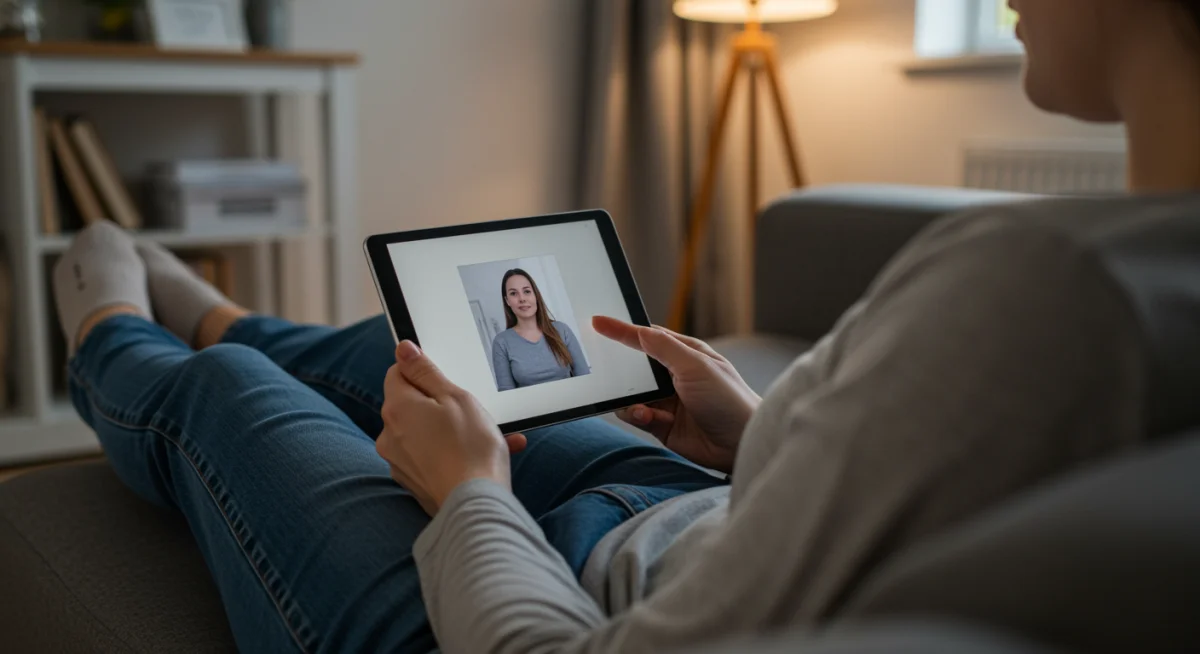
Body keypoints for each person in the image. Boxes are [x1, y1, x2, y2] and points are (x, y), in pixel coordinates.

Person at [49, 1, 1199, 652]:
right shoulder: (1118, 276)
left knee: (238, 398)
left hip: (535, 602)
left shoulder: (1052, 286)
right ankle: (226, 315)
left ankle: (109, 324)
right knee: (415, 359)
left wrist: (474, 495)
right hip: (696, 512)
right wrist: (751, 432)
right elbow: (933, 498)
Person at [490, 268, 590, 391]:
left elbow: (584, 377)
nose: (522, 298)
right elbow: (507, 393)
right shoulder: (501, 342)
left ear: (536, 295)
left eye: (527, 291)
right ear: (507, 301)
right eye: (513, 293)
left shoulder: (562, 330)